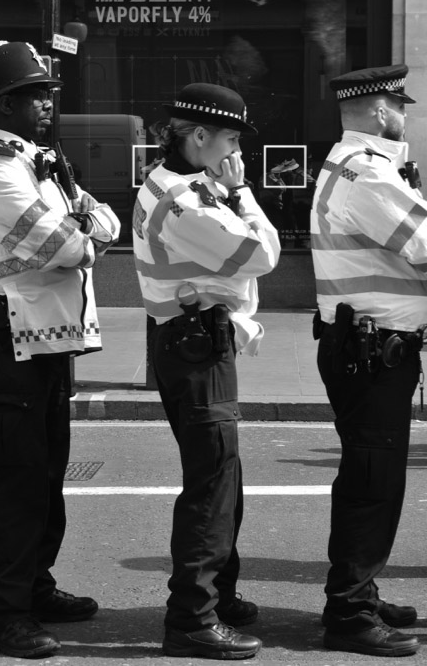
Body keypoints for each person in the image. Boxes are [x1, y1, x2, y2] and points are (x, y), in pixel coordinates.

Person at [0, 40, 121, 659]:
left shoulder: (42, 166)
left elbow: (105, 219)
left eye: (49, 94)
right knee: (16, 480)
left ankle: (35, 584)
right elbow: (68, 246)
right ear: (5, 104)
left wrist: (87, 227)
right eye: (35, 95)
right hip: (12, 344)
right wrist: (86, 232)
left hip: (48, 342)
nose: (48, 104)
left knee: (47, 474)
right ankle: (3, 610)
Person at [310, 65, 427, 657]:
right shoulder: (369, 175)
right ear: (377, 110)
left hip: (366, 348)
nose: (406, 114)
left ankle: (359, 592)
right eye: (400, 104)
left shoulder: (357, 167)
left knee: (372, 478)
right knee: (372, 483)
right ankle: (348, 610)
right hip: (371, 352)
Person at [133, 83, 280, 660]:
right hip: (197, 346)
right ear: (198, 137)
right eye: (230, 140)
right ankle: (192, 617)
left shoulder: (179, 186)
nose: (235, 153)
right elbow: (264, 254)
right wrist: (241, 192)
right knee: (212, 483)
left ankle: (218, 591)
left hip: (194, 341)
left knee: (223, 476)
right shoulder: (186, 202)